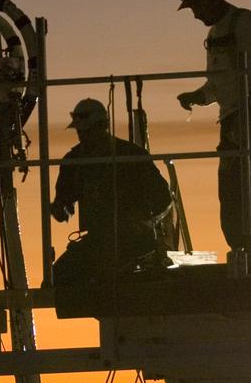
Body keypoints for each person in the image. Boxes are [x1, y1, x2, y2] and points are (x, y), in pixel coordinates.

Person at [176, 0, 251, 275]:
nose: (196, 15)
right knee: (231, 196)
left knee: (249, 194)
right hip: (232, 122)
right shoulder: (216, 34)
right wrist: (198, 96)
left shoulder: (244, 24)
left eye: (196, 7)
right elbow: (220, 83)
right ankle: (241, 258)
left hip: (249, 123)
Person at [50, 98, 173, 285]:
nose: (84, 136)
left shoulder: (131, 156)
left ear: (103, 126)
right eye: (81, 132)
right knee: (56, 278)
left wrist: (142, 222)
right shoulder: (74, 162)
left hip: (135, 241)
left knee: (110, 277)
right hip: (98, 240)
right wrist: (59, 209)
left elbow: (163, 197)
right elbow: (64, 204)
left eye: (88, 131)